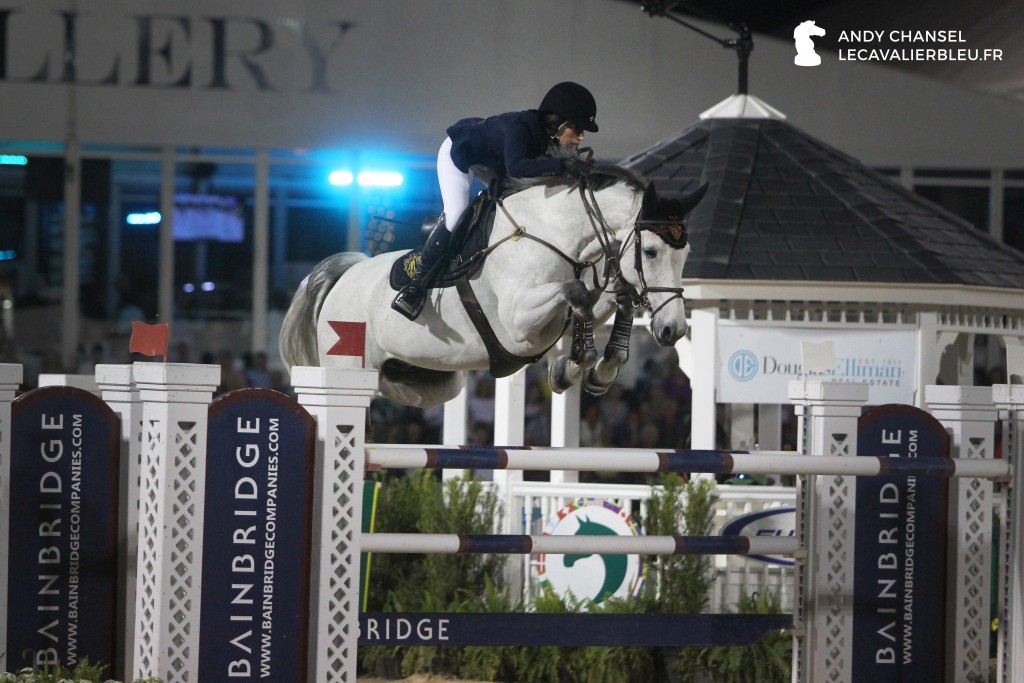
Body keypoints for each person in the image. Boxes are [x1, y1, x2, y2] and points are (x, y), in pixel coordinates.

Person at [391, 81, 600, 320]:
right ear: (560, 123)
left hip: (492, 162)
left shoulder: (549, 138)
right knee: (457, 213)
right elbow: (517, 166)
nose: (582, 137)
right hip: (460, 155)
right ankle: (415, 287)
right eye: (578, 129)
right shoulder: (520, 126)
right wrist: (564, 165)